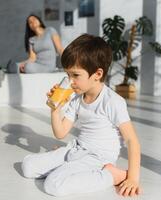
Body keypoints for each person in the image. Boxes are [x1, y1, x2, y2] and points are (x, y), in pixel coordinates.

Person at [21, 34, 142, 197]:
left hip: (97, 158)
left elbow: (131, 140)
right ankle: (68, 168)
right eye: (68, 75)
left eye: (75, 75)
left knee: (54, 185)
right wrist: (55, 108)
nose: (70, 81)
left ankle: (112, 175)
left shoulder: (112, 101)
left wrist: (133, 178)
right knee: (27, 166)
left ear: (97, 74)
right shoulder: (77, 99)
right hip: (76, 149)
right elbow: (60, 133)